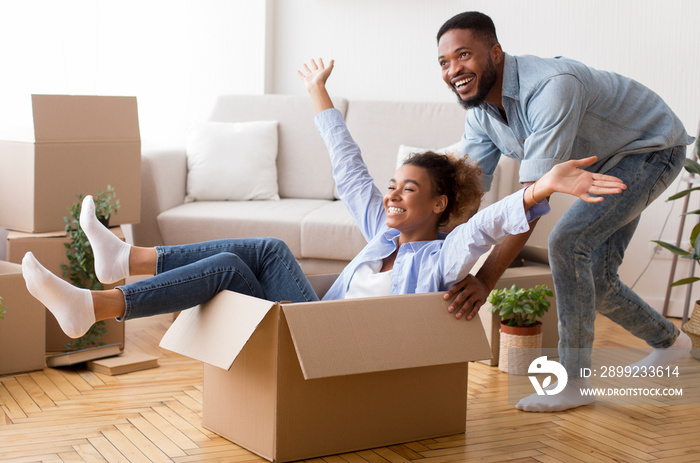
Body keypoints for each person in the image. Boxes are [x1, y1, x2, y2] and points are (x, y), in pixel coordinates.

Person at [22, 59, 625, 349]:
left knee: (236, 268)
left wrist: (543, 188)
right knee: (262, 250)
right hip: (312, 317)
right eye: (393, 185)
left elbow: (492, 222)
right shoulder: (380, 233)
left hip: (329, 339)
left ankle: (103, 296)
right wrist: (317, 94)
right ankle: (121, 267)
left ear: (441, 206)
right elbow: (349, 166)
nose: (391, 194)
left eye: (407, 189)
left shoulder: (443, 256)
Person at [436, 11, 695, 412]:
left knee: (567, 241)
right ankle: (670, 342)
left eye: (464, 55)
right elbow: (467, 195)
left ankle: (574, 382)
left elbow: (532, 202)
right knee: (597, 276)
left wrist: (486, 280)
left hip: (650, 146)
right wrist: (432, 244)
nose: (454, 69)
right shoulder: (480, 114)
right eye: (444, 62)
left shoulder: (550, 88)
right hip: (604, 162)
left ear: (496, 53)